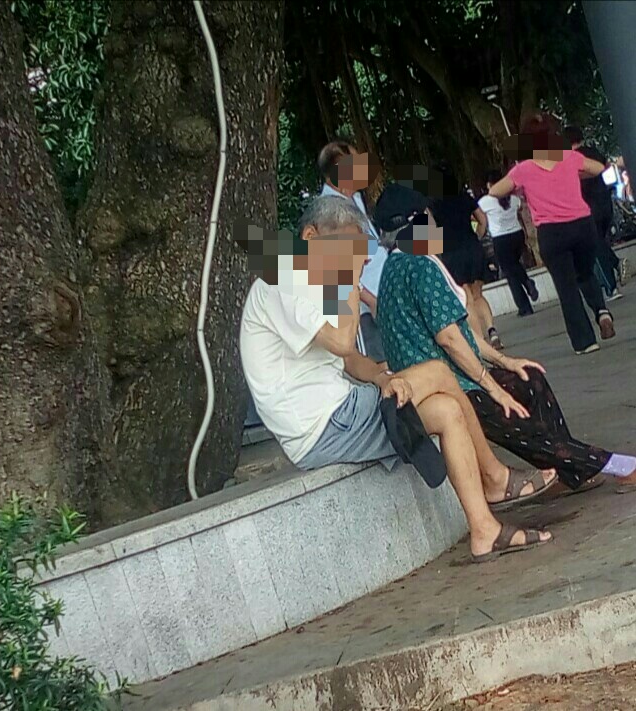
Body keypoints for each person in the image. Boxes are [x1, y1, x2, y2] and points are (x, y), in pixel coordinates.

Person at [239, 194, 553, 563]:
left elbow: (348, 359)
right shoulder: (283, 277)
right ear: (311, 237)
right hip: (322, 425)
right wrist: (348, 279)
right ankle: (495, 478)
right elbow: (342, 342)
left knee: (447, 411)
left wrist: (382, 377)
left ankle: (484, 530)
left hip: (338, 414)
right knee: (438, 371)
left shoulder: (309, 279)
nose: (359, 258)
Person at [375, 182, 636, 495]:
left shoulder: (397, 265)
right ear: (416, 221)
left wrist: (504, 361)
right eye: (428, 216)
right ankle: (617, 464)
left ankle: (571, 471)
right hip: (453, 387)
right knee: (523, 423)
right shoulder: (417, 265)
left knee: (529, 377)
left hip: (455, 378)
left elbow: (458, 332)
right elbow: (449, 339)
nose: (433, 222)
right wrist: (493, 387)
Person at [489, 113, 614, 355]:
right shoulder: (568, 156)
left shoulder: (523, 169)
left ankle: (585, 342)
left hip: (552, 232)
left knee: (566, 288)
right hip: (582, 225)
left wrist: (519, 189)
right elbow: (598, 168)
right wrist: (575, 175)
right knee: (585, 273)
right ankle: (602, 311)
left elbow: (495, 191)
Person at [317, 140, 387, 362]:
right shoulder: (330, 211)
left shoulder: (354, 198)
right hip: (365, 309)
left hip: (382, 295)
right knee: (379, 366)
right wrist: (370, 300)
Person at [432, 165, 503, 350]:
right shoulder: (464, 197)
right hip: (473, 248)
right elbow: (482, 220)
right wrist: (477, 236)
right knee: (478, 294)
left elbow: (430, 231)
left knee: (466, 298)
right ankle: (492, 330)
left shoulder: (432, 203)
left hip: (451, 253)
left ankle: (481, 342)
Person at [564, 126, 627, 301]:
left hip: (588, 207)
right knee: (599, 241)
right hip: (605, 203)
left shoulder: (571, 159)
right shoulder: (594, 152)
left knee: (596, 247)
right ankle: (616, 263)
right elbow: (608, 170)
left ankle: (611, 286)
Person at [478, 170, 539, 317]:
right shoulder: (514, 199)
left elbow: (478, 217)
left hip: (501, 239)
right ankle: (525, 303)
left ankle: (526, 287)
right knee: (512, 269)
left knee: (511, 270)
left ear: (489, 185)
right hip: (517, 235)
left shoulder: (485, 201)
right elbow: (520, 208)